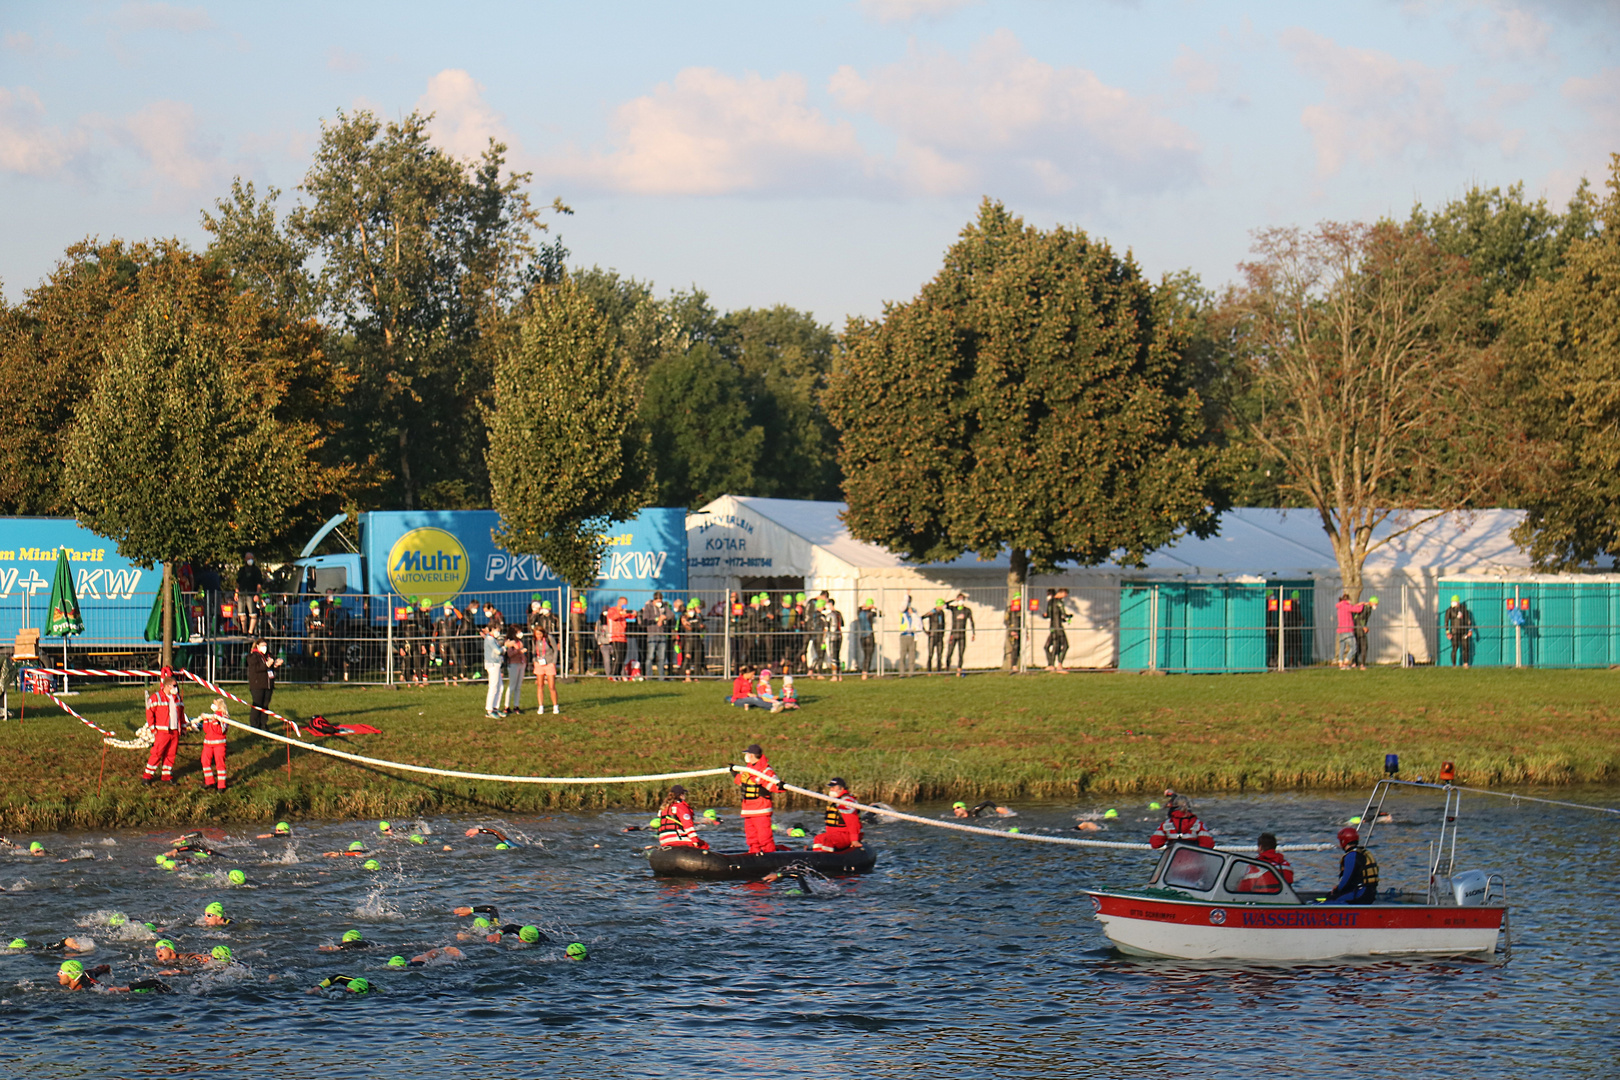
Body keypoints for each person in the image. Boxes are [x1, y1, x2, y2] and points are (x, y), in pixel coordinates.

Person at [733, 743, 781, 854]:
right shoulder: (748, 769)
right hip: (748, 809)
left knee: (764, 837)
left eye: (747, 754)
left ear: (752, 755)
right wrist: (734, 773)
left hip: (761, 809)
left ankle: (770, 856)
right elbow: (741, 781)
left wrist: (775, 786)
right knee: (751, 837)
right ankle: (753, 853)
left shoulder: (765, 770)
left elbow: (776, 787)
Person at [141, 670, 184, 785]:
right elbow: (149, 712)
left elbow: (181, 713)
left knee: (171, 754)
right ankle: (147, 776)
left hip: (174, 731)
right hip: (162, 731)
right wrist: (152, 728)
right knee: (157, 753)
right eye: (175, 686)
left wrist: (183, 727)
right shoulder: (156, 697)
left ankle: (166, 775)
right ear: (168, 686)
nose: (176, 688)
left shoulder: (177, 698)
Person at [1325, 826, 1380, 904]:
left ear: (1343, 841)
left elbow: (1346, 880)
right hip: (1370, 893)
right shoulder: (1362, 853)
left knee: (1331, 899)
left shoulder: (1351, 856)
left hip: (1360, 894)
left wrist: (1336, 890)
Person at [58, 959, 171, 993]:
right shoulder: (87, 973)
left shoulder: (91, 988)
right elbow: (105, 966)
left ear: (72, 976)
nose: (58, 974)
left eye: (61, 972)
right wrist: (108, 973)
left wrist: (125, 989)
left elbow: (156, 982)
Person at [812, 778, 863, 852]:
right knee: (818, 838)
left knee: (826, 839)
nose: (831, 790)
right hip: (834, 834)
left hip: (846, 834)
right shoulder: (835, 800)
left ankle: (825, 860)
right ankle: (817, 857)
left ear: (841, 788)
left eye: (833, 787)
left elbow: (852, 822)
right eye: (830, 788)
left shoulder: (846, 801)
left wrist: (854, 840)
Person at [1148, 792, 1214, 849]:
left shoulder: (1165, 824)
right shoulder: (1199, 824)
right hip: (1193, 861)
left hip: (1173, 861)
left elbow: (1155, 844)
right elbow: (1208, 845)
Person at [656, 785, 708, 849]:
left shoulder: (663, 809)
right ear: (681, 795)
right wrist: (695, 840)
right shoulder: (681, 807)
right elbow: (688, 825)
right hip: (678, 839)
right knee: (704, 845)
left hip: (664, 841)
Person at [246, 639, 282, 731]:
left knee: (265, 705)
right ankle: (254, 724)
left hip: (268, 684)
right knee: (257, 704)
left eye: (266, 645)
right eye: (262, 645)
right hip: (257, 685)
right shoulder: (252, 656)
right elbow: (256, 668)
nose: (264, 647)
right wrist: (266, 665)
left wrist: (276, 665)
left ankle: (263, 724)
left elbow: (271, 669)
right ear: (257, 646)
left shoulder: (269, 655)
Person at [197, 698, 229, 792]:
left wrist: (215, 722)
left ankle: (221, 785)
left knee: (220, 764)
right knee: (205, 761)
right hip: (208, 744)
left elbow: (220, 731)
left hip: (219, 745)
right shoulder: (212, 716)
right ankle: (209, 781)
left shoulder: (224, 717)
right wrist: (206, 720)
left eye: (214, 704)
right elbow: (207, 730)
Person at [532, 624, 561, 715]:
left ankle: (555, 705)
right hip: (539, 664)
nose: (539, 636)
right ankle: (541, 706)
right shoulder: (534, 641)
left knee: (551, 686)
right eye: (537, 634)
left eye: (540, 634)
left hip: (549, 664)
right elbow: (533, 652)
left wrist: (553, 662)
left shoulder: (549, 638)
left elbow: (555, 650)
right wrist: (534, 661)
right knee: (540, 685)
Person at [643, 593, 671, 681]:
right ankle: (649, 676)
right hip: (652, 634)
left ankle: (661, 676)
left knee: (662, 657)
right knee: (650, 656)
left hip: (662, 635)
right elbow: (646, 619)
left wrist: (664, 617)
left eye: (661, 601)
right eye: (658, 601)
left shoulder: (664, 607)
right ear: (654, 600)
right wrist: (658, 619)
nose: (660, 603)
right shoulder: (648, 607)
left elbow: (671, 615)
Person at [945, 593, 975, 675]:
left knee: (961, 653)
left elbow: (971, 621)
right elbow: (945, 605)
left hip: (962, 634)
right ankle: (947, 669)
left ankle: (959, 670)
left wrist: (973, 633)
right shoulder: (954, 609)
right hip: (953, 634)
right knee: (949, 652)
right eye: (959, 599)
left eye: (962, 599)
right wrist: (954, 600)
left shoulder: (967, 610)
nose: (960, 601)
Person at [481, 622, 506, 719]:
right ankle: (489, 709)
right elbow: (498, 651)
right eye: (497, 630)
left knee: (500, 687)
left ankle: (495, 707)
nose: (498, 632)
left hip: (497, 664)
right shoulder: (489, 639)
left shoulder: (493, 639)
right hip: (492, 664)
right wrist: (506, 647)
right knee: (493, 687)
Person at [1043, 588, 1071, 672]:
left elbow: (1048, 615)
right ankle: (1059, 665)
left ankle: (1051, 664)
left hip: (1052, 627)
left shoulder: (1050, 602)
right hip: (1058, 627)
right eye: (1065, 595)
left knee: (1048, 646)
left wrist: (1044, 615)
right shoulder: (1059, 602)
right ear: (1062, 593)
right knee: (1065, 645)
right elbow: (1063, 614)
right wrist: (1069, 616)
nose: (1064, 597)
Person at [502, 625, 527, 715]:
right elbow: (510, 654)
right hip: (513, 664)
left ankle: (516, 705)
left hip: (521, 663)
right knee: (512, 685)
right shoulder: (509, 642)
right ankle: (507, 706)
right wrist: (519, 651)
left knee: (518, 686)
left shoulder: (519, 641)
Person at [1334, 593, 1363, 669]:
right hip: (1347, 630)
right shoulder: (1346, 606)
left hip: (1340, 630)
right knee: (1354, 647)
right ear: (1347, 600)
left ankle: (1340, 662)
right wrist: (1362, 604)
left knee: (1342, 648)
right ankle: (1346, 662)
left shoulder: (1340, 607)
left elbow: (1352, 607)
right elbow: (1357, 610)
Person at [603, 597, 630, 678]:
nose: (624, 605)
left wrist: (633, 613)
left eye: (625, 603)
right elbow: (614, 617)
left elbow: (631, 615)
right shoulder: (612, 610)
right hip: (615, 636)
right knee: (617, 656)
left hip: (623, 637)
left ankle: (618, 675)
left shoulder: (623, 611)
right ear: (619, 602)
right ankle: (613, 674)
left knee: (622, 657)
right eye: (623, 603)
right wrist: (621, 613)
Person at [1445, 595, 1474, 668]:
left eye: (1454, 602)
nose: (1453, 603)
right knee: (1454, 648)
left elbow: (1468, 620)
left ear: (1458, 602)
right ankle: (1454, 665)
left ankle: (1465, 663)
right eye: (1452, 602)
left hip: (1463, 631)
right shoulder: (1449, 610)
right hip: (1454, 632)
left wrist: (1470, 630)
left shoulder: (1463, 609)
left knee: (1465, 647)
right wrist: (1447, 632)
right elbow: (1446, 621)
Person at [856, 599, 880, 679]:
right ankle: (865, 672)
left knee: (865, 654)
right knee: (868, 655)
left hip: (862, 636)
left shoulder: (860, 613)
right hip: (869, 635)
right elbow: (881, 614)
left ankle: (865, 671)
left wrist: (863, 607)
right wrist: (874, 608)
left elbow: (858, 609)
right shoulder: (870, 613)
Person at [1352, 596, 1378, 669]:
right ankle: (1362, 664)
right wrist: (1364, 627)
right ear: (1372, 602)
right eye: (1376, 603)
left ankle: (1354, 662)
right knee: (1364, 646)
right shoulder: (1366, 608)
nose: (1376, 605)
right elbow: (1362, 618)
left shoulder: (1365, 607)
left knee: (1358, 646)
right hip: (1359, 628)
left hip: (1356, 628)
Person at [896, 597, 919, 677]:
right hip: (904, 635)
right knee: (903, 655)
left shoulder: (913, 611)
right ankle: (901, 673)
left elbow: (917, 621)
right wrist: (906, 596)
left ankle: (911, 673)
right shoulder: (902, 611)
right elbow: (903, 606)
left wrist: (912, 613)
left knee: (912, 655)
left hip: (912, 635)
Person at [823, 598, 845, 681]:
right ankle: (840, 676)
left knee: (833, 656)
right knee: (837, 656)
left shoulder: (829, 615)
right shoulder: (839, 614)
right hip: (839, 635)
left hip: (832, 636)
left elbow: (826, 627)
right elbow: (842, 624)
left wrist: (823, 639)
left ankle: (834, 675)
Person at [923, 599, 947, 673]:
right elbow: (921, 618)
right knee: (930, 654)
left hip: (940, 635)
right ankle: (929, 670)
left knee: (940, 654)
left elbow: (943, 623)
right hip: (933, 635)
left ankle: (939, 670)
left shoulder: (942, 613)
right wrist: (925, 631)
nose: (943, 606)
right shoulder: (932, 612)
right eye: (942, 605)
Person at [1005, 591, 1025, 668]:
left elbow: (1022, 621)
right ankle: (1013, 666)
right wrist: (1012, 630)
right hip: (1013, 631)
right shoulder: (1010, 609)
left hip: (1020, 630)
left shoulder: (1020, 610)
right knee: (1014, 647)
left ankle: (1017, 664)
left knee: (1019, 648)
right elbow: (1006, 620)